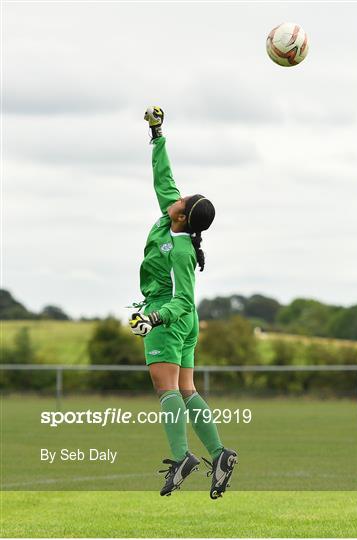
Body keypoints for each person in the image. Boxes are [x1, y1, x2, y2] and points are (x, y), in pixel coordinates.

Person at [129, 106, 238, 498]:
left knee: (166, 390)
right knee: (187, 390)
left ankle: (182, 458)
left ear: (182, 216)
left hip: (171, 318)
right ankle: (220, 454)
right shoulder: (171, 217)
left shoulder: (178, 251)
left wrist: (153, 317)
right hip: (181, 323)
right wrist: (158, 135)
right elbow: (165, 178)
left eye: (184, 198)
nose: (179, 195)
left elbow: (183, 301)